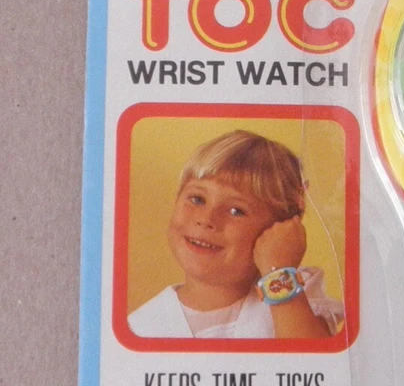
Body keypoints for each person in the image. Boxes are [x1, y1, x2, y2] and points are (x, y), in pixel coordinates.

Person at [128, 130, 344, 340]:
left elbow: (311, 362)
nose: (206, 219)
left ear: (279, 228)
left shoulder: (293, 293)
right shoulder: (140, 327)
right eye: (197, 199)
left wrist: (277, 271)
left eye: (236, 211)